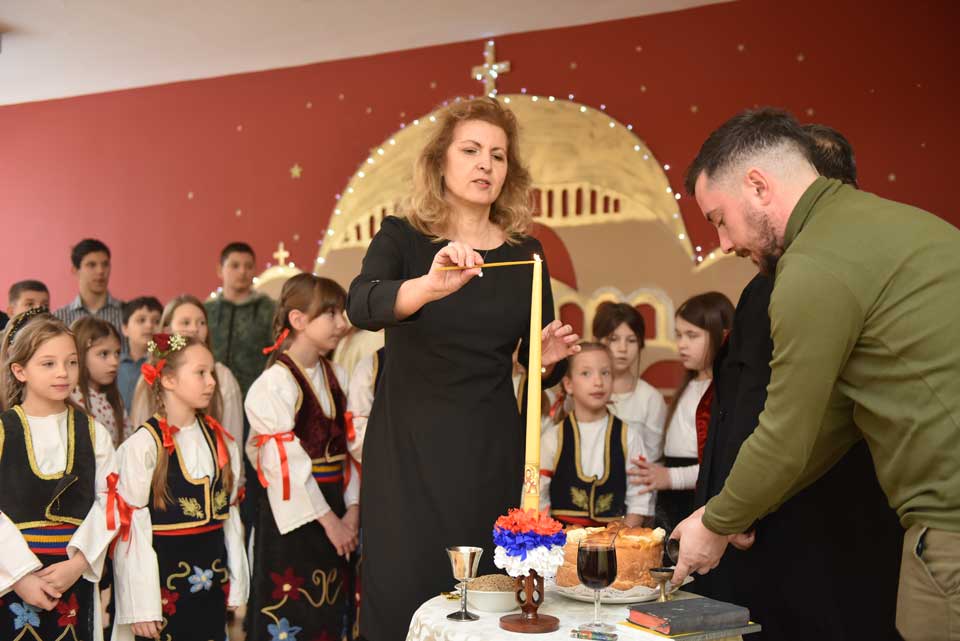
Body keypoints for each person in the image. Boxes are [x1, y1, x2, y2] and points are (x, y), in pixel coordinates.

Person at [671, 107, 960, 641]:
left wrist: (715, 523)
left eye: (719, 219)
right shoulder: (905, 225)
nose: (724, 243)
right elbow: (831, 424)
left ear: (758, 186)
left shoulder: (810, 267)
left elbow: (786, 433)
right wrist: (731, 512)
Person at [347, 96, 579, 640]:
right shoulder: (403, 236)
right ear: (440, 162)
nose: (485, 165)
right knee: (402, 590)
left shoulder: (526, 253)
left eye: (498, 155)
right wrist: (428, 287)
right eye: (471, 151)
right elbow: (361, 304)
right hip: (407, 454)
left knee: (488, 603)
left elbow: (535, 364)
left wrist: (546, 361)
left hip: (489, 453)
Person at [111, 333, 248, 641]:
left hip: (212, 586)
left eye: (211, 372)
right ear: (169, 380)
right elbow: (132, 529)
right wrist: (141, 606)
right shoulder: (143, 447)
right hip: (161, 591)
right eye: (200, 373)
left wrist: (237, 584)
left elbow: (230, 521)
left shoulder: (222, 443)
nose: (211, 381)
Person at [244, 273, 358, 641]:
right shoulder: (273, 385)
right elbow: (284, 465)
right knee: (292, 614)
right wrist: (332, 522)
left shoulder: (338, 375)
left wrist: (353, 511)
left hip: (338, 506)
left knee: (331, 611)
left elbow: (352, 452)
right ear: (298, 320)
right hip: (294, 516)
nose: (342, 323)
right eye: (331, 313)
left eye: (342, 313)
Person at [0, 311, 123, 640]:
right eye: (48, 363)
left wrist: (78, 563)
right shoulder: (3, 431)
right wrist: (21, 576)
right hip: (11, 578)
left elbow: (110, 502)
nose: (63, 373)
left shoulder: (93, 433)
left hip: (73, 576)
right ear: (20, 370)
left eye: (71, 363)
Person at [630, 293, 732, 534]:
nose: (682, 344)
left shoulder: (725, 392)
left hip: (698, 501)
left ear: (723, 335)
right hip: (671, 501)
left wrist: (670, 477)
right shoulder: (689, 385)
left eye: (692, 335)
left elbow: (721, 465)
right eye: (678, 335)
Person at [540, 343, 654, 527]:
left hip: (615, 540)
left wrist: (619, 539)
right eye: (586, 373)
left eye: (605, 373)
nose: (598, 382)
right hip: (561, 540)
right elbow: (538, 501)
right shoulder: (552, 439)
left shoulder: (629, 437)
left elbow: (639, 502)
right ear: (568, 384)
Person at [129, 296, 244, 447]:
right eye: (185, 322)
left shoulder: (223, 376)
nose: (195, 329)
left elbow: (232, 437)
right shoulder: (150, 375)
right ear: (167, 329)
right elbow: (139, 433)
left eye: (201, 323)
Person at [593, 302, 667, 464]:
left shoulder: (651, 398)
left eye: (631, 340)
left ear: (640, 345)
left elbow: (652, 460)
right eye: (613, 339)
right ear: (597, 341)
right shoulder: (582, 391)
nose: (623, 348)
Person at [204, 242, 276, 397]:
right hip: (211, 395)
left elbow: (279, 354)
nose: (242, 271)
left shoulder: (270, 310)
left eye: (248, 266)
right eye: (235, 266)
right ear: (220, 270)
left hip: (256, 397)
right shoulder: (206, 311)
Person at [70, 317, 131, 447]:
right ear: (79, 354)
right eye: (104, 354)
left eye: (117, 353)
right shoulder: (72, 399)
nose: (114, 362)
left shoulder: (114, 399)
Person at [53, 239, 126, 348]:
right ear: (75, 270)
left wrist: (153, 346)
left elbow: (149, 346)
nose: (100, 271)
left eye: (105, 264)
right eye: (91, 265)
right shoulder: (59, 318)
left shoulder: (128, 313)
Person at [117, 297, 163, 411]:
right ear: (125, 328)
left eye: (157, 321)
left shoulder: (164, 365)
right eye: (141, 320)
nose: (149, 325)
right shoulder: (115, 364)